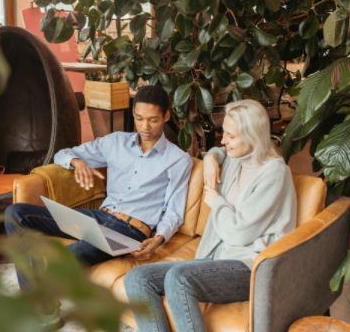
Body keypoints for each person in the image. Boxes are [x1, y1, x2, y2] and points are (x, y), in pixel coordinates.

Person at [124, 99, 297, 332]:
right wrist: (210, 159)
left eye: (230, 135)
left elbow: (238, 234)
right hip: (217, 258)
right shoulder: (238, 157)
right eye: (223, 133)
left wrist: (215, 199)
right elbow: (220, 151)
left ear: (253, 135)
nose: (224, 140)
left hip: (251, 266)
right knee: (137, 278)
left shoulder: (274, 173)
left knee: (179, 278)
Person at [4, 85, 192, 287]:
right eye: (139, 118)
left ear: (165, 116)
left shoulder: (178, 160)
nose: (145, 127)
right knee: (16, 214)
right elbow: (62, 154)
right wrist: (78, 162)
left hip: (129, 232)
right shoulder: (115, 142)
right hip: (98, 218)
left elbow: (174, 210)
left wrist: (159, 239)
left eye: (153, 120)